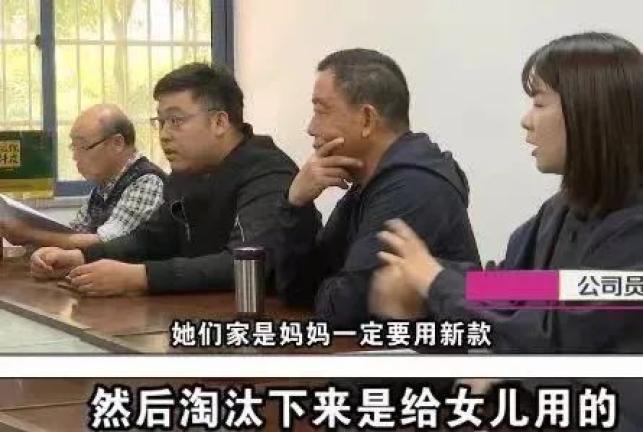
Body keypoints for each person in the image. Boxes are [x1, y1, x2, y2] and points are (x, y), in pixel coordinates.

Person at [371, 32, 643, 354]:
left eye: (539, 103)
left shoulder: (634, 231)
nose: (526, 120)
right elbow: (517, 287)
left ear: (590, 111)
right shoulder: (560, 210)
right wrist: (427, 275)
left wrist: (435, 282)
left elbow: (558, 337)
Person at [29, 62, 310, 296]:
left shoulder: (268, 172)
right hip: (197, 314)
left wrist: (140, 277)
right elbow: (150, 239)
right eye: (160, 122)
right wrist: (82, 258)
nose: (164, 135)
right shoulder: (187, 172)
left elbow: (244, 263)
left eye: (176, 121)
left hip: (265, 326)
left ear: (220, 122)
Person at [274, 48, 480, 329]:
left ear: (367, 120)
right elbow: (299, 290)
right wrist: (296, 204)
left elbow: (347, 307)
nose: (311, 128)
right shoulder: (367, 185)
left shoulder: (414, 186)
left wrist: (334, 285)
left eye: (320, 111)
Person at [0, 104, 165, 249]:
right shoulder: (103, 187)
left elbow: (106, 244)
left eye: (82, 146)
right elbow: (74, 233)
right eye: (74, 147)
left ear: (117, 143)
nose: (75, 157)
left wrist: (29, 234)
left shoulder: (147, 182)